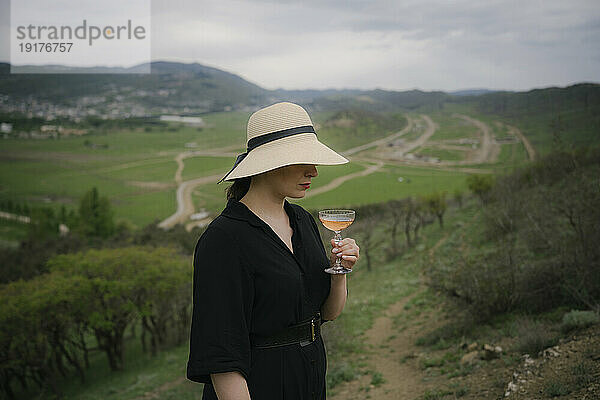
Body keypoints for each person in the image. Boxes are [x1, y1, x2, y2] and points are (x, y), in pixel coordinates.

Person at [186, 102, 360, 400]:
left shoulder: (302, 220)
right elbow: (222, 357)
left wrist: (339, 273)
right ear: (268, 164)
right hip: (260, 383)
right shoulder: (223, 240)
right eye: (303, 160)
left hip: (310, 374)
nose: (314, 171)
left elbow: (328, 313)